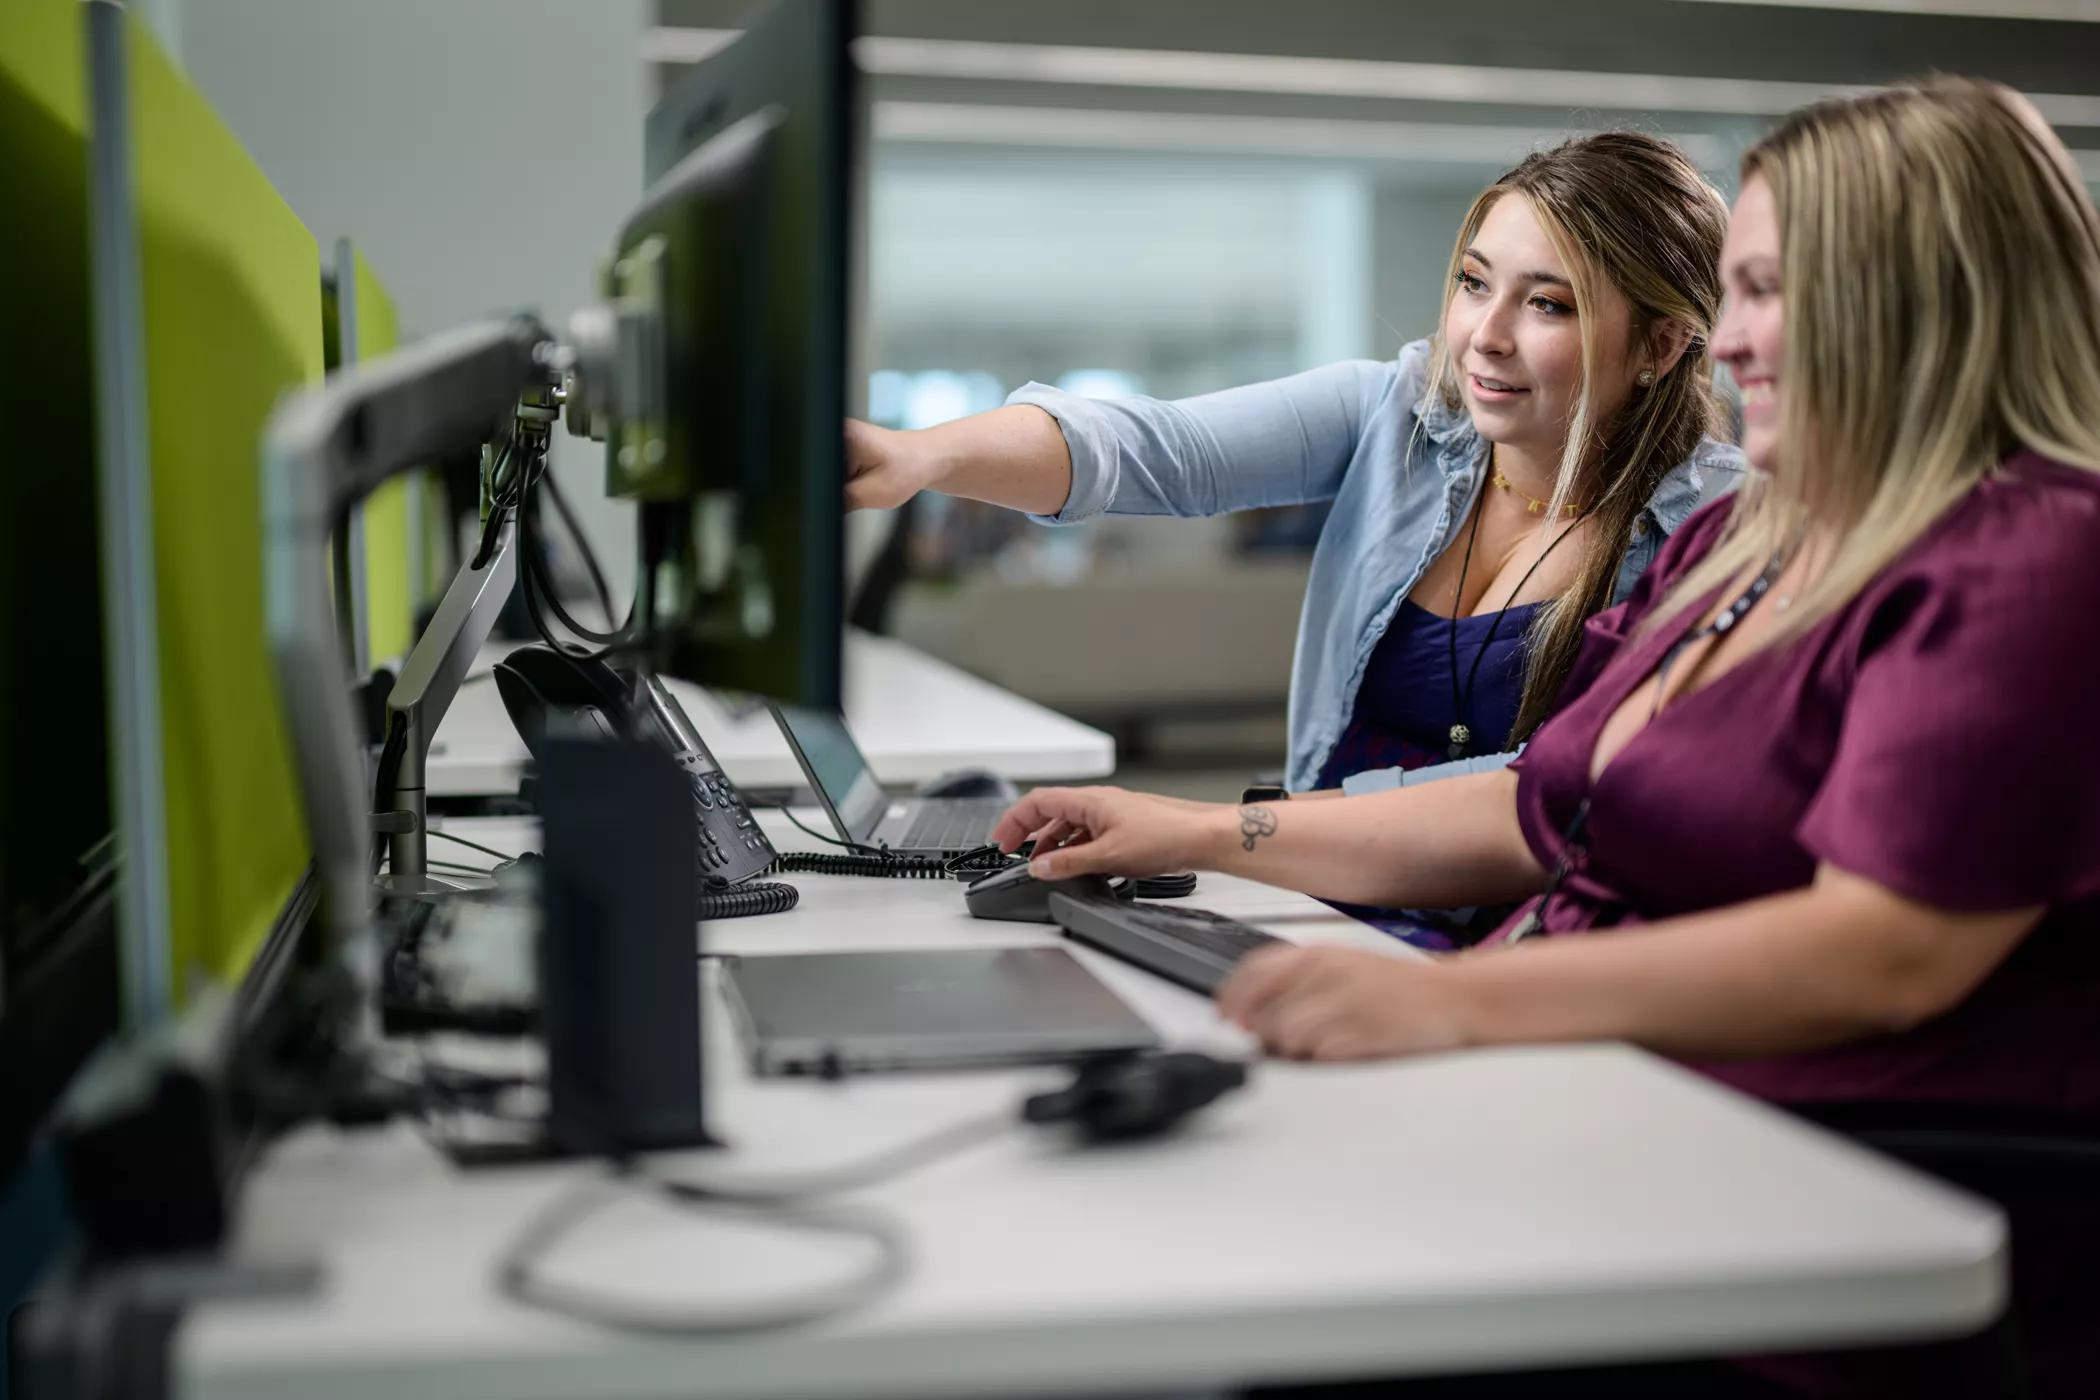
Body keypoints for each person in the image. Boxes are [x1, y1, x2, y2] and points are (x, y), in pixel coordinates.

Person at [994, 78, 2100, 1398]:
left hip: (1787, 1182)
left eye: (1765, 292)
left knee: (1223, 1311)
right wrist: (1192, 829)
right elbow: (1539, 807)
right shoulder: (1748, 537)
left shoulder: (2031, 557)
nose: (1729, 342)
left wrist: (1457, 1003)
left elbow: (1886, 950)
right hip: (1594, 1093)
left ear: (1915, 301)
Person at [846, 132, 1742, 807]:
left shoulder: (1716, 533)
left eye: (1547, 304)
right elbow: (1158, 450)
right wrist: (918, 455)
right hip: (1315, 894)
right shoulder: (1395, 413)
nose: (1484, 335)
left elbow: (1550, 800)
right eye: (1474, 283)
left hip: (1503, 942)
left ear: (1662, 345)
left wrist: (1230, 837)